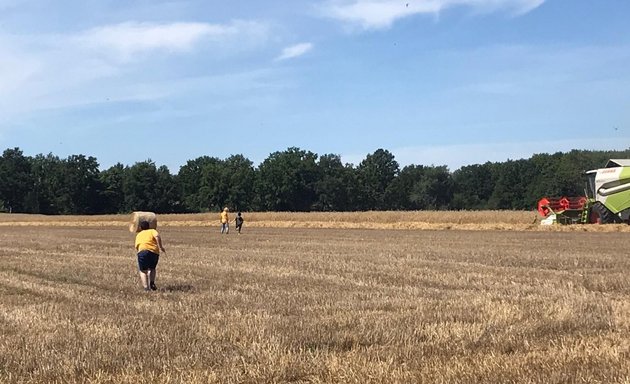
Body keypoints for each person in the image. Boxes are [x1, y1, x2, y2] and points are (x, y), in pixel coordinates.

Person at [134, 220, 166, 291]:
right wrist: (160, 247)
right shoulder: (152, 231)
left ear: (140, 227)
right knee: (152, 268)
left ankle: (146, 288)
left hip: (142, 252)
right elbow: (157, 236)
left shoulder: (139, 234)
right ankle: (152, 283)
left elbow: (137, 246)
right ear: (149, 226)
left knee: (143, 271)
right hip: (154, 252)